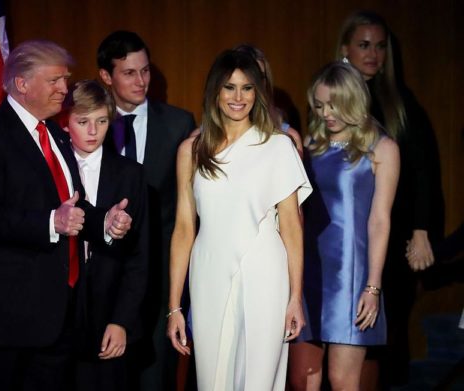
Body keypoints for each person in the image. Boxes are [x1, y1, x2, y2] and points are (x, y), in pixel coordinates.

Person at [0, 40, 132, 390]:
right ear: (22, 84)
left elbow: (71, 209)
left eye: (65, 80)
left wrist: (104, 223)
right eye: (55, 81)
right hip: (0, 324)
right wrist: (51, 223)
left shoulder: (57, 138)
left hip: (55, 322)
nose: (65, 89)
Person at [167, 49, 311, 390]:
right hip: (209, 271)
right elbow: (184, 229)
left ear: (258, 92)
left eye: (247, 88)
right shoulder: (192, 150)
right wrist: (174, 306)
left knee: (259, 376)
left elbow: (292, 226)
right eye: (229, 87)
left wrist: (295, 297)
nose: (238, 97)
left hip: (265, 270)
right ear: (215, 91)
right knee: (214, 376)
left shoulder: (278, 146)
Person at [336, 10, 445, 387]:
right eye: (364, 45)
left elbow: (423, 171)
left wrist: (420, 229)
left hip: (391, 236)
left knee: (383, 338)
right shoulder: (330, 97)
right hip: (342, 240)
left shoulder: (400, 101)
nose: (373, 54)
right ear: (346, 48)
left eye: (380, 46)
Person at [287, 62, 400, 390]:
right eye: (319, 106)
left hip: (350, 277)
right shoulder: (310, 145)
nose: (325, 114)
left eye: (333, 105)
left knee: (343, 381)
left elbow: (380, 220)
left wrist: (373, 286)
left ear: (354, 100)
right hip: (308, 272)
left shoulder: (381, 148)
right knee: (302, 381)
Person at [97, 30, 196, 391]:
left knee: (156, 376)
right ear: (106, 76)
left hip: (161, 274)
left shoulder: (179, 124)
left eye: (146, 71)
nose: (141, 81)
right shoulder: (86, 125)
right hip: (103, 273)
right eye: (129, 73)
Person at [59, 79, 149, 391]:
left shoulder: (130, 174)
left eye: (101, 121)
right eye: (83, 122)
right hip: (57, 319)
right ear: (66, 122)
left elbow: (140, 258)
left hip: (109, 314)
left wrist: (122, 320)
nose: (93, 131)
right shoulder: (51, 168)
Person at [233, 44, 303, 157]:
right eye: (245, 76)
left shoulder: (288, 137)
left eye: (259, 77)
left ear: (267, 82)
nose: (252, 84)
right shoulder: (204, 139)